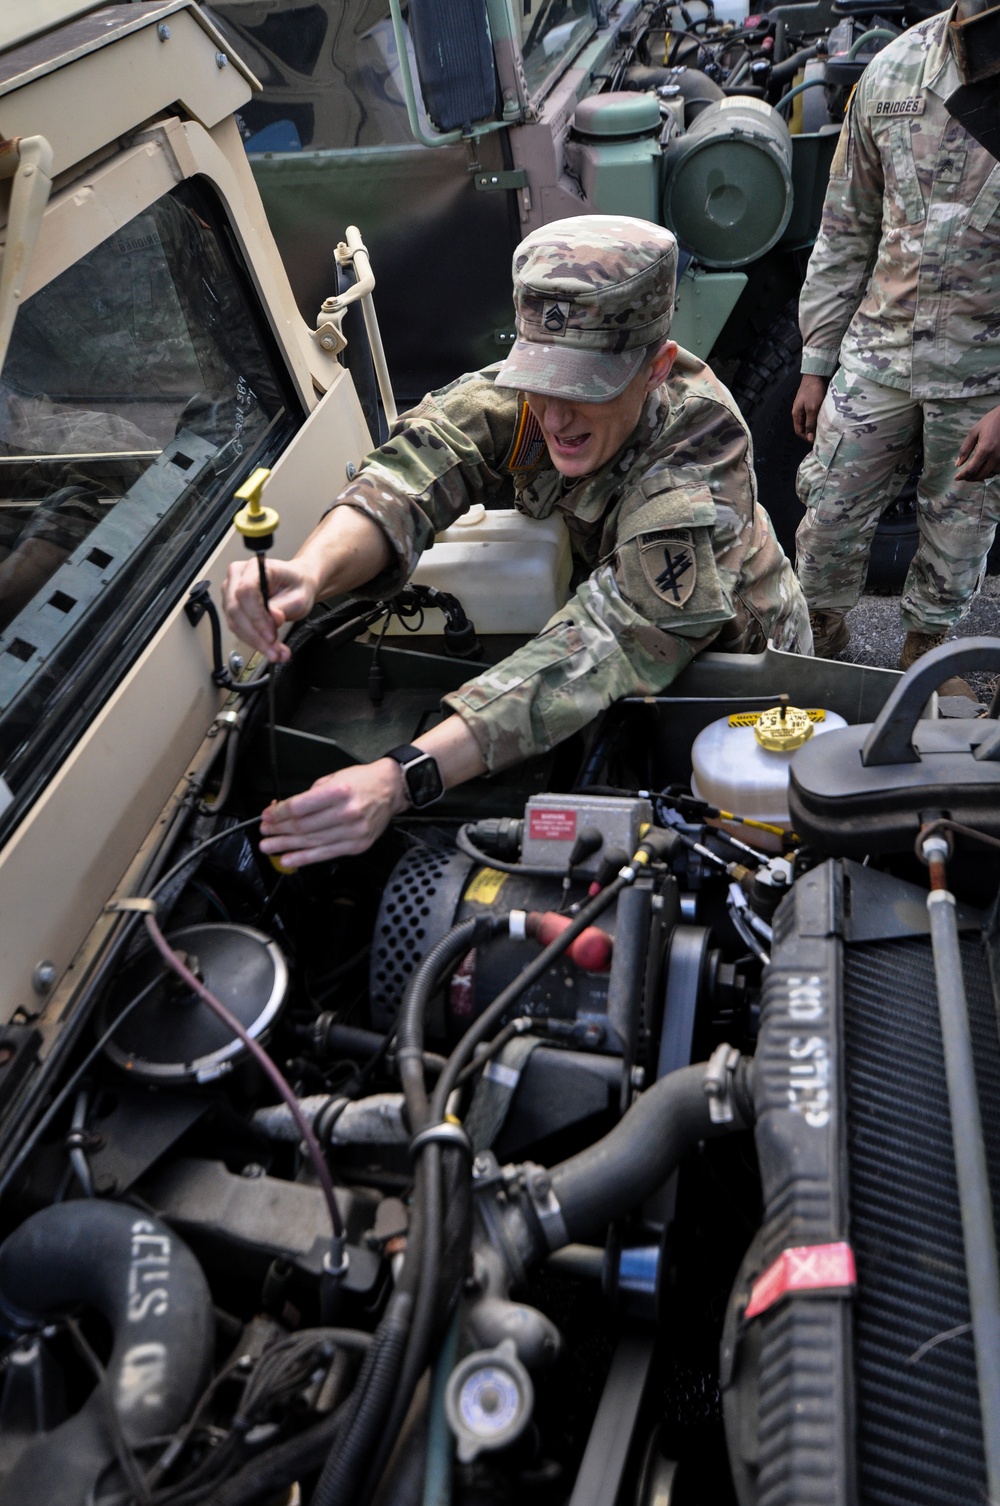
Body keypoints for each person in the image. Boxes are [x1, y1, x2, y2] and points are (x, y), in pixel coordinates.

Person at [223, 215, 811, 867]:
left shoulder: (696, 462)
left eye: (585, 388)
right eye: (543, 377)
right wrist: (310, 571)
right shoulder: (541, 400)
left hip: (738, 679)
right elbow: (423, 459)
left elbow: (597, 646)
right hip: (629, 627)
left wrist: (401, 777)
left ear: (656, 369)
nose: (555, 415)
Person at [792, 1, 1000, 679]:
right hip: (879, 354)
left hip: (983, 373)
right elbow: (846, 227)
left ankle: (927, 665)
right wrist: (816, 361)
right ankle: (822, 651)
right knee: (826, 519)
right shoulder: (892, 72)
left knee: (956, 539)